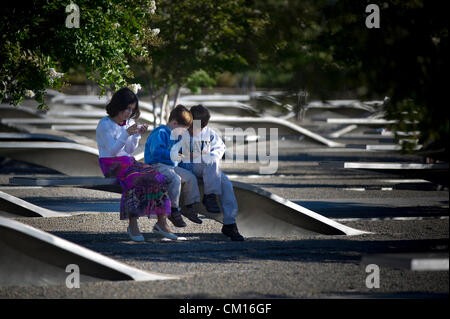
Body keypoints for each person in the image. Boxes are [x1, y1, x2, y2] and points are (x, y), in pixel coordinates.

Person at [96, 87, 178, 241]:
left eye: (132, 110)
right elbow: (113, 151)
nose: (129, 113)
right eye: (127, 109)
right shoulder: (104, 124)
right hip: (111, 163)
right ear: (118, 106)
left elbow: (129, 149)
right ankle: (133, 223)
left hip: (127, 161)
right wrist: (127, 133)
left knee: (158, 177)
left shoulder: (129, 122)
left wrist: (137, 135)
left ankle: (161, 222)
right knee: (134, 179)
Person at [179, 104, 245, 241]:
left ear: (206, 125)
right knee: (210, 159)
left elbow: (220, 148)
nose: (196, 130)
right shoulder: (181, 132)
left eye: (200, 127)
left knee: (226, 184)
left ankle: (230, 224)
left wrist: (208, 155)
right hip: (188, 167)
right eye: (193, 126)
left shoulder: (210, 133)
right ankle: (210, 195)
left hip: (208, 170)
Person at [144, 104, 203, 227]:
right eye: (183, 129)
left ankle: (189, 206)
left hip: (170, 167)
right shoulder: (160, 132)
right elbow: (156, 152)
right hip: (156, 165)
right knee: (175, 179)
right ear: (175, 123)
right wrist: (174, 154)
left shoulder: (176, 136)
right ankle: (173, 209)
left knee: (190, 177)